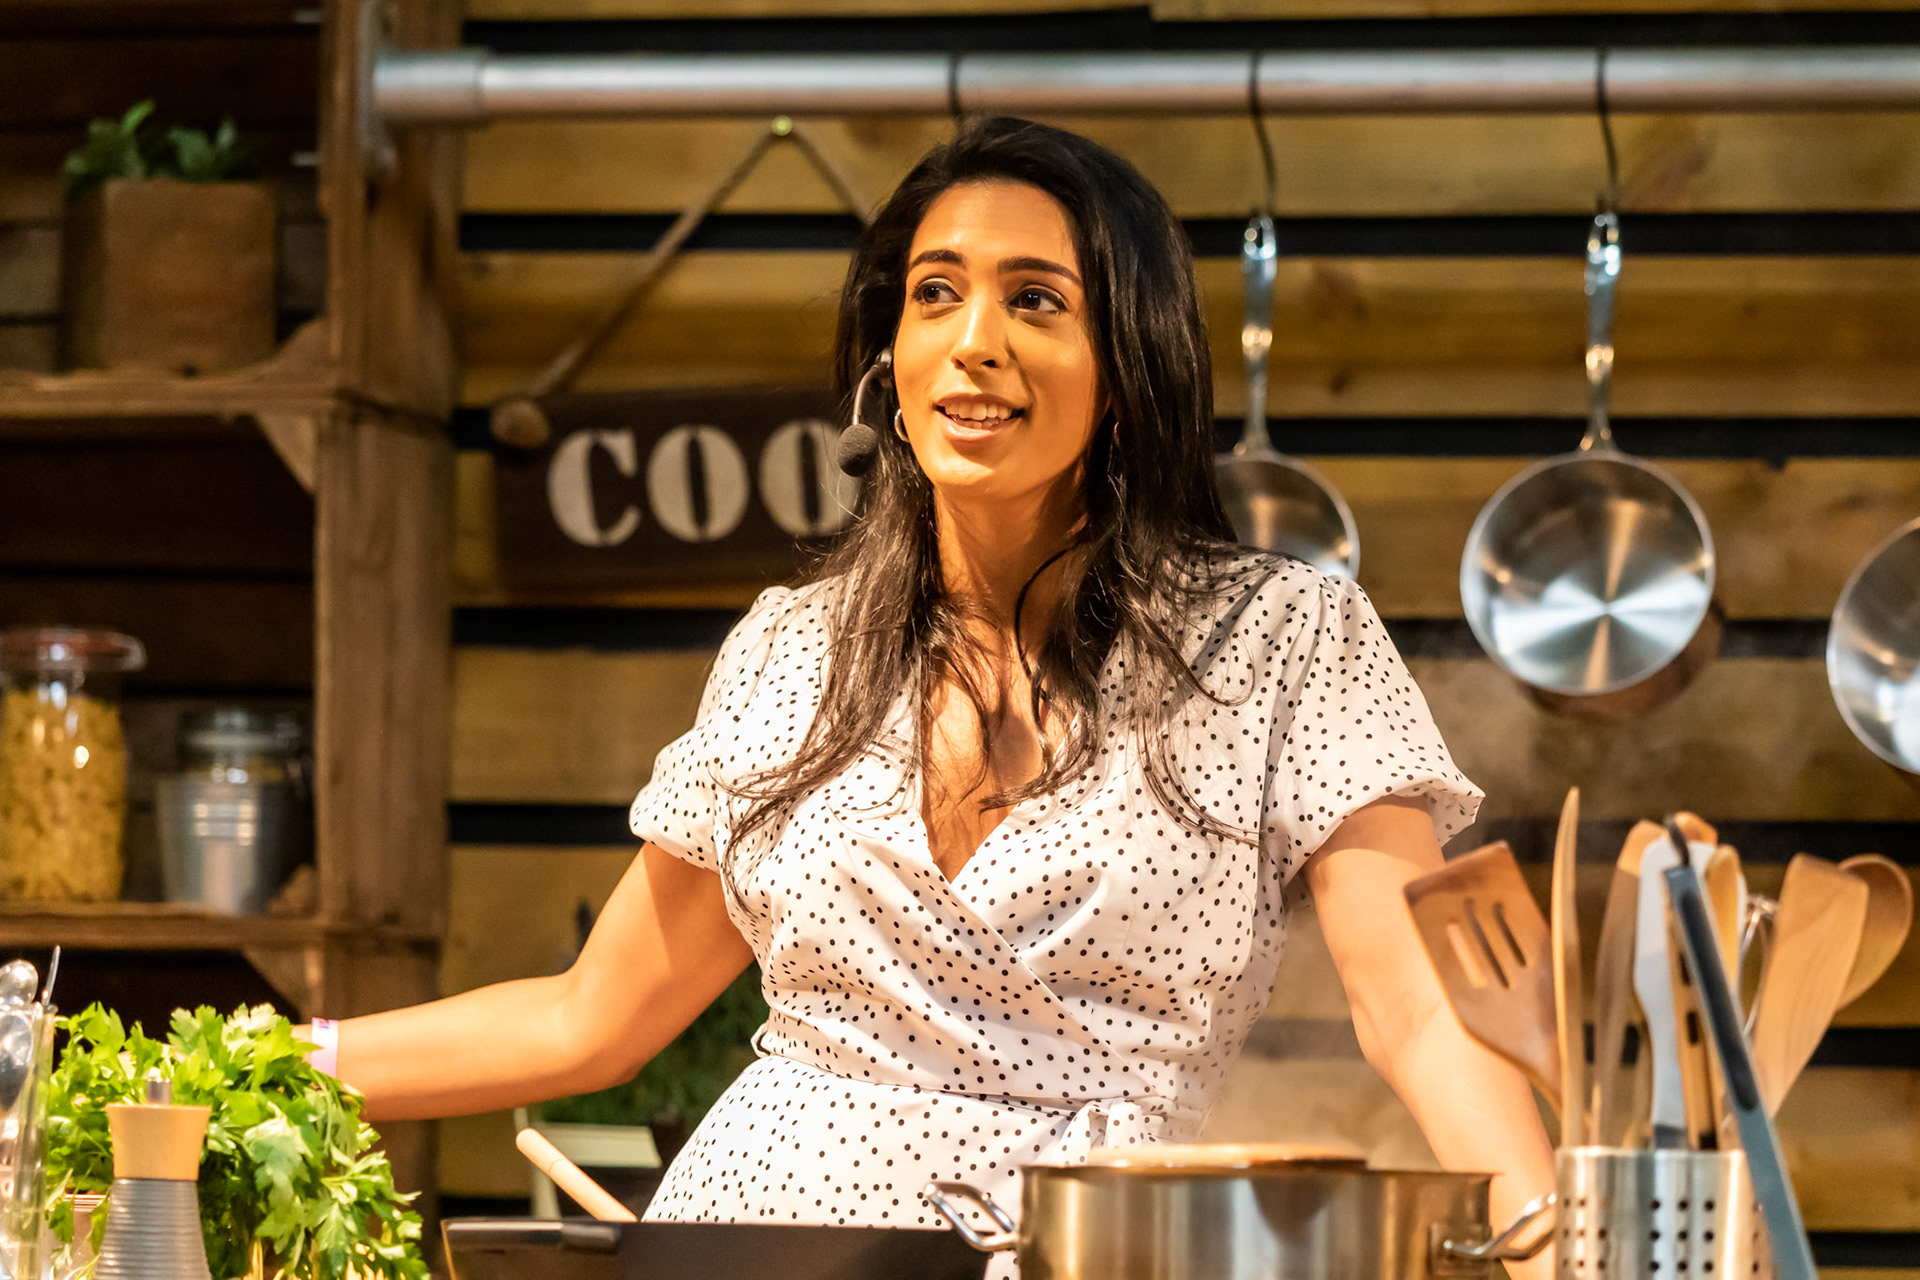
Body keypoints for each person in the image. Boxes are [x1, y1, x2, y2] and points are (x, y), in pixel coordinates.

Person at [318, 117, 1553, 1276]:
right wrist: (248, 1068)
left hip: (1078, 1249)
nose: (977, 339)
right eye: (935, 293)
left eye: (1036, 299)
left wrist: (1552, 1238)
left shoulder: (1281, 636)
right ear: (889, 368)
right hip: (746, 1244)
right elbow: (587, 1018)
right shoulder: (789, 651)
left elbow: (1418, 1007)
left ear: (1126, 369)